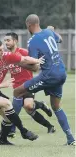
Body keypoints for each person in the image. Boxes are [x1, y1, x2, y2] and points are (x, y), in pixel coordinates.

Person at [13, 14, 75, 146]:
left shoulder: (33, 41)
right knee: (56, 106)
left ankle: (10, 129)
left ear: (29, 25)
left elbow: (34, 67)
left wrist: (18, 62)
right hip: (61, 72)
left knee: (18, 92)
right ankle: (71, 139)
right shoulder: (48, 32)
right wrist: (51, 30)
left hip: (49, 75)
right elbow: (60, 39)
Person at [0, 39, 45, 145]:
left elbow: (24, 59)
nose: (2, 52)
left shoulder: (6, 56)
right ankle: (24, 131)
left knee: (8, 117)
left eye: (3, 49)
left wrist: (36, 61)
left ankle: (2, 140)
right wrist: (2, 85)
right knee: (7, 103)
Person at [0, 32, 55, 138]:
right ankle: (49, 125)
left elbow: (36, 68)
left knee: (27, 106)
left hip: (28, 84)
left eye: (8, 40)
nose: (6, 43)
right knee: (28, 109)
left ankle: (10, 129)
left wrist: (19, 62)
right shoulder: (7, 56)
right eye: (5, 41)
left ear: (15, 41)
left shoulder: (23, 52)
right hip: (16, 87)